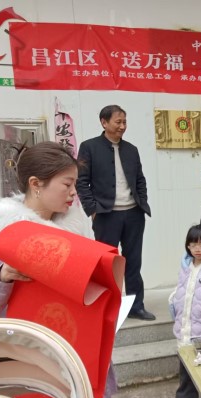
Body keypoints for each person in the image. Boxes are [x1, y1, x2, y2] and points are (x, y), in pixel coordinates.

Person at [0, 141, 93, 324]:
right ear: (35, 184)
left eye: (75, 184)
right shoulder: (2, 232)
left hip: (60, 335)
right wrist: (1, 275)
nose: (74, 192)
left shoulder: (72, 231)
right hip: (15, 337)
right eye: (67, 184)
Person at [77, 105, 155, 321]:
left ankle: (135, 306)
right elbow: (81, 182)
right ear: (104, 122)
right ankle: (107, 308)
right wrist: (92, 210)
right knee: (107, 264)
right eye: (118, 122)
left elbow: (140, 180)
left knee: (133, 262)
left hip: (133, 214)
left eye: (124, 122)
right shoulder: (89, 147)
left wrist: (142, 201)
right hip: (105, 215)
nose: (122, 126)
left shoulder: (131, 149)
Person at [166, 224, 201, 398]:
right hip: (185, 325)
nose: (198, 249)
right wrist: (173, 302)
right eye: (193, 244)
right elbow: (181, 290)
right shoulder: (186, 266)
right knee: (186, 366)